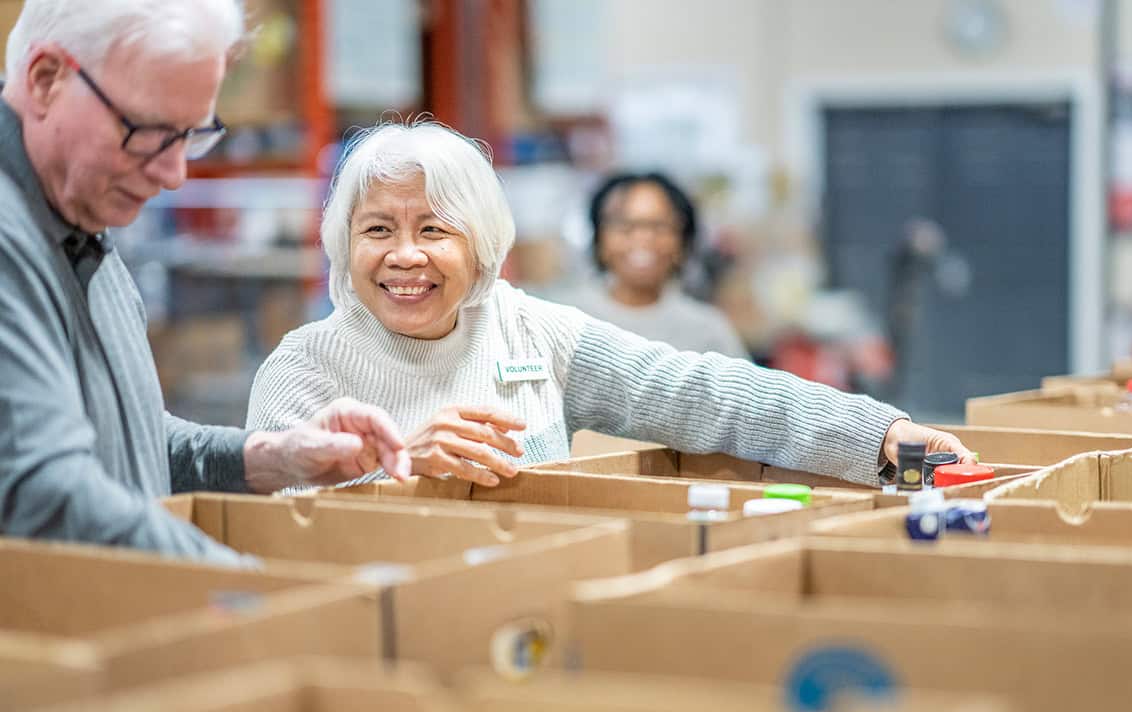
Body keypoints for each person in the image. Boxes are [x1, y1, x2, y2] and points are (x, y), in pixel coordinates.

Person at [247, 120, 972, 488]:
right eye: (378, 230)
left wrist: (880, 435)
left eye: (433, 229)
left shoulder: (532, 329)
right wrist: (401, 477)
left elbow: (702, 391)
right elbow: (273, 535)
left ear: (482, 244)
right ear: (346, 244)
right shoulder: (304, 369)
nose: (404, 255)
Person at [0, 0, 410, 566]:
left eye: (192, 136)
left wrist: (272, 456)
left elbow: (127, 443)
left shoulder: (76, 215)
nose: (173, 174)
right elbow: (44, 494)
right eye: (146, 132)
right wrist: (255, 591)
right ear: (47, 80)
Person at [556, 171, 749, 359]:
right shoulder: (563, 320)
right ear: (598, 238)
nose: (643, 238)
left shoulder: (710, 332)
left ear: (683, 241)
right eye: (624, 225)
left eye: (660, 226)